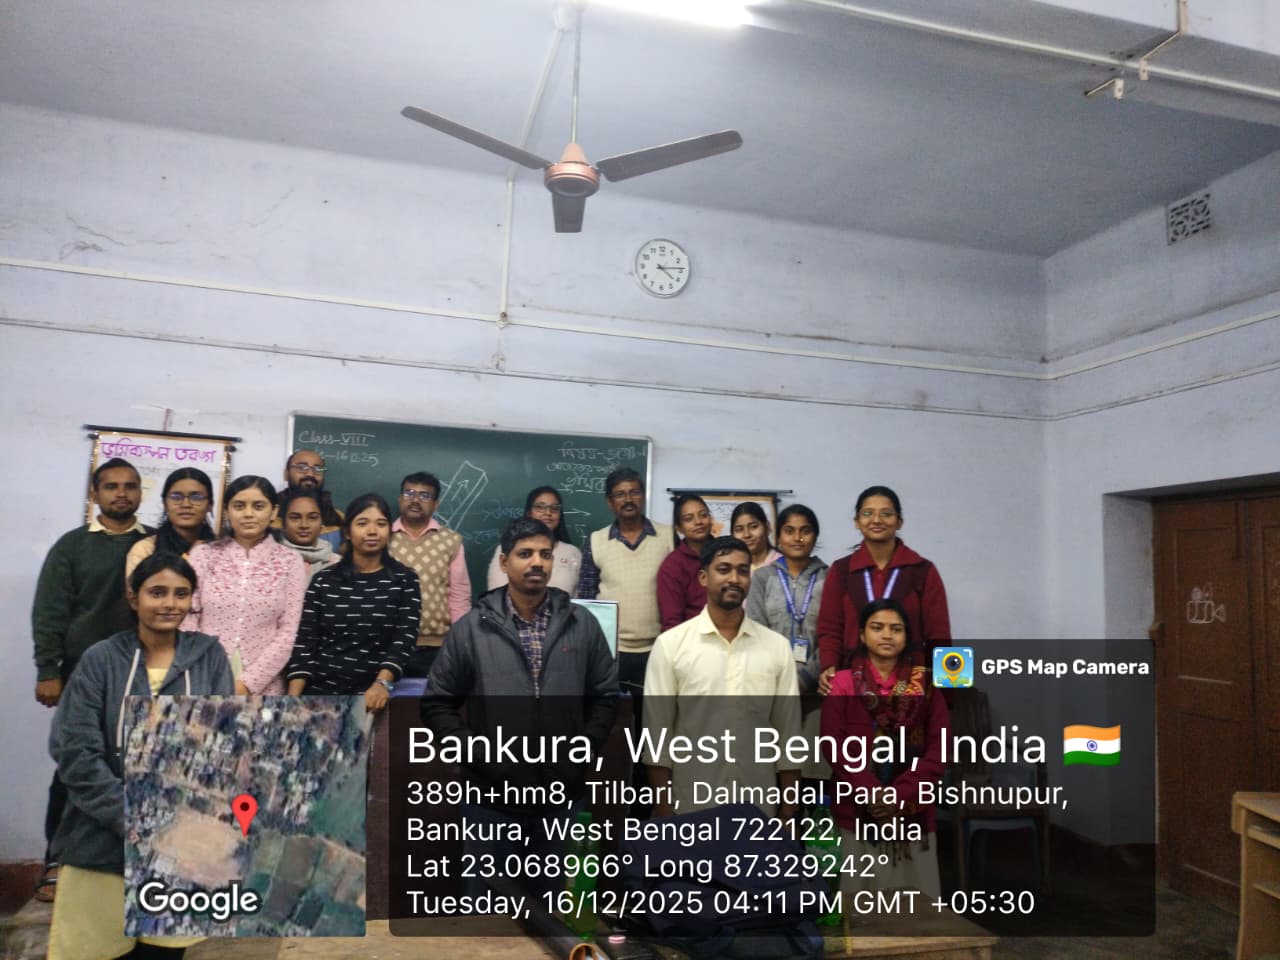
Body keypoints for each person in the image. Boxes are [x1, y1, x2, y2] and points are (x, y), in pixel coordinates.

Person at [47, 551, 234, 960]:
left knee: (163, 955)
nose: (169, 603)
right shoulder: (100, 660)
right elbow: (75, 751)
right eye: (157, 592)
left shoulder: (210, 657)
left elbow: (222, 748)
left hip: (177, 844)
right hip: (100, 840)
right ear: (134, 598)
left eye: (181, 593)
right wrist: (134, 817)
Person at [424, 517, 617, 899]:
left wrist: (582, 749)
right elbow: (437, 703)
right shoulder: (472, 628)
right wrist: (476, 753)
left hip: (562, 798)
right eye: (525, 554)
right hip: (490, 801)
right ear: (504, 561)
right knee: (487, 916)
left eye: (545, 554)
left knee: (559, 912)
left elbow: (605, 696)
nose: (537, 563)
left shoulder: (582, 623)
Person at [32, 456, 151, 902]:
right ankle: (57, 861)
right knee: (76, 765)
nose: (121, 493)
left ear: (140, 493)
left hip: (140, 671)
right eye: (111, 486)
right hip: (82, 672)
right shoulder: (72, 546)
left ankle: (130, 862)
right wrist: (48, 670)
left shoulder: (151, 545)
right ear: (95, 493)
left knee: (136, 765)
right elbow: (50, 612)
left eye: (130, 486)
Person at [643, 536, 802, 820]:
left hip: (758, 811)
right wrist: (665, 810)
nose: (734, 579)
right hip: (690, 809)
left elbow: (789, 737)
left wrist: (788, 814)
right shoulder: (671, 646)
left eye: (742, 570)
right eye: (724, 569)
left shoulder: (776, 648)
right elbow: (657, 737)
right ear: (703, 578)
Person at [821, 598, 946, 902]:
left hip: (912, 815)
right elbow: (833, 746)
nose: (887, 635)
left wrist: (897, 796)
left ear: (907, 637)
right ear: (862, 636)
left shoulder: (927, 684)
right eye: (877, 628)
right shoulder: (843, 683)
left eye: (896, 629)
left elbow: (938, 750)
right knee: (859, 910)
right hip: (856, 811)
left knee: (917, 912)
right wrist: (873, 793)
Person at [286, 494, 420, 712]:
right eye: (362, 523)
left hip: (372, 697)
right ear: (347, 532)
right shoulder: (323, 581)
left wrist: (382, 683)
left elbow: (404, 639)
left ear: (390, 531)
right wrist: (291, 700)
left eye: (381, 524)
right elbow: (305, 643)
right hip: (319, 695)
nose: (372, 531)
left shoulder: (405, 580)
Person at [816, 485, 950, 695]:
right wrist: (829, 665)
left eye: (886, 514)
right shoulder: (842, 571)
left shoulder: (922, 570)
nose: (876, 520)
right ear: (856, 522)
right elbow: (830, 628)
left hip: (910, 682)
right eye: (868, 513)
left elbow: (939, 634)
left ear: (899, 522)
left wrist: (947, 688)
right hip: (853, 678)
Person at [183, 476, 308, 695]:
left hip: (265, 684)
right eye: (239, 506)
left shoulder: (290, 561)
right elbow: (188, 618)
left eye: (258, 506)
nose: (248, 514)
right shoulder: (203, 555)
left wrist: (247, 684)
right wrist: (206, 673)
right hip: (203, 676)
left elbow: (289, 631)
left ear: (274, 512)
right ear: (227, 511)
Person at [576, 467, 672, 697]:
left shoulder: (669, 536)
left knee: (653, 715)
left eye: (634, 492)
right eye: (620, 494)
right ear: (610, 502)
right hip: (610, 650)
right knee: (607, 713)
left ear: (643, 496)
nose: (628, 499)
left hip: (659, 647)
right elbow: (586, 599)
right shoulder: (596, 541)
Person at [388, 471, 471, 677]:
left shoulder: (451, 541)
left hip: (436, 648)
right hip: (386, 644)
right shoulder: (383, 537)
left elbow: (459, 595)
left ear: (435, 504)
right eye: (409, 493)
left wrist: (460, 641)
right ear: (400, 499)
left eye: (424, 495)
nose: (415, 500)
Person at [124, 468, 217, 580]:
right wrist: (193, 558)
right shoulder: (145, 549)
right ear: (165, 504)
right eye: (176, 497)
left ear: (210, 505)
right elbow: (135, 590)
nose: (186, 504)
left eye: (196, 498)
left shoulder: (220, 550)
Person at [486, 486, 581, 593]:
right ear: (529, 513)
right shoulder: (508, 548)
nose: (548, 512)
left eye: (554, 508)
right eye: (540, 507)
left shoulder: (572, 553)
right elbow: (497, 592)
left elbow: (578, 596)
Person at [656, 493, 713, 631]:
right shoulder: (672, 566)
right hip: (692, 638)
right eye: (689, 519)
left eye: (703, 515)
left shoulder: (725, 553)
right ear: (678, 528)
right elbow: (672, 622)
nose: (698, 522)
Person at [273, 449, 343, 549]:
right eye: (301, 467)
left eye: (318, 469)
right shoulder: (270, 515)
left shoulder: (339, 519)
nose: (310, 474)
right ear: (286, 474)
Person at [278, 486, 339, 578]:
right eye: (295, 518)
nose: (304, 525)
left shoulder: (338, 565)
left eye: (312, 518)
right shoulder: (269, 560)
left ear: (322, 522)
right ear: (283, 523)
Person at [731, 501, 782, 572]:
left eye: (753, 527)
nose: (747, 535)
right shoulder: (730, 566)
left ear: (767, 527)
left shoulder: (782, 564)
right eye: (739, 529)